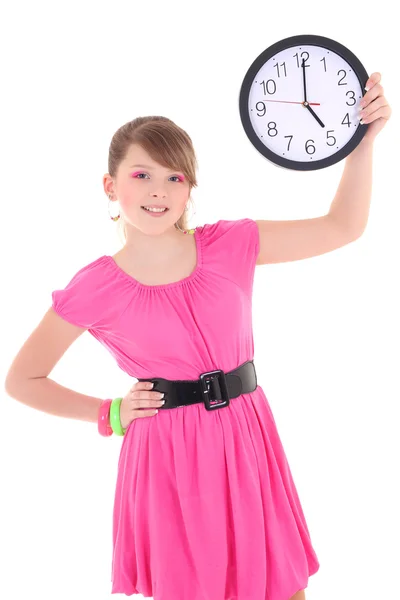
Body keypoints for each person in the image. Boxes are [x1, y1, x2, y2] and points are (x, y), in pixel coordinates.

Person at [4, 73, 391, 600]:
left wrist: (363, 143)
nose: (158, 191)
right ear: (111, 186)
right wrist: (111, 413)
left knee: (279, 586)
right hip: (169, 454)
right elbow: (23, 379)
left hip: (248, 436)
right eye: (141, 175)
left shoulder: (230, 244)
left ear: (190, 189)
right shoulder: (96, 284)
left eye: (174, 177)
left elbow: (343, 226)